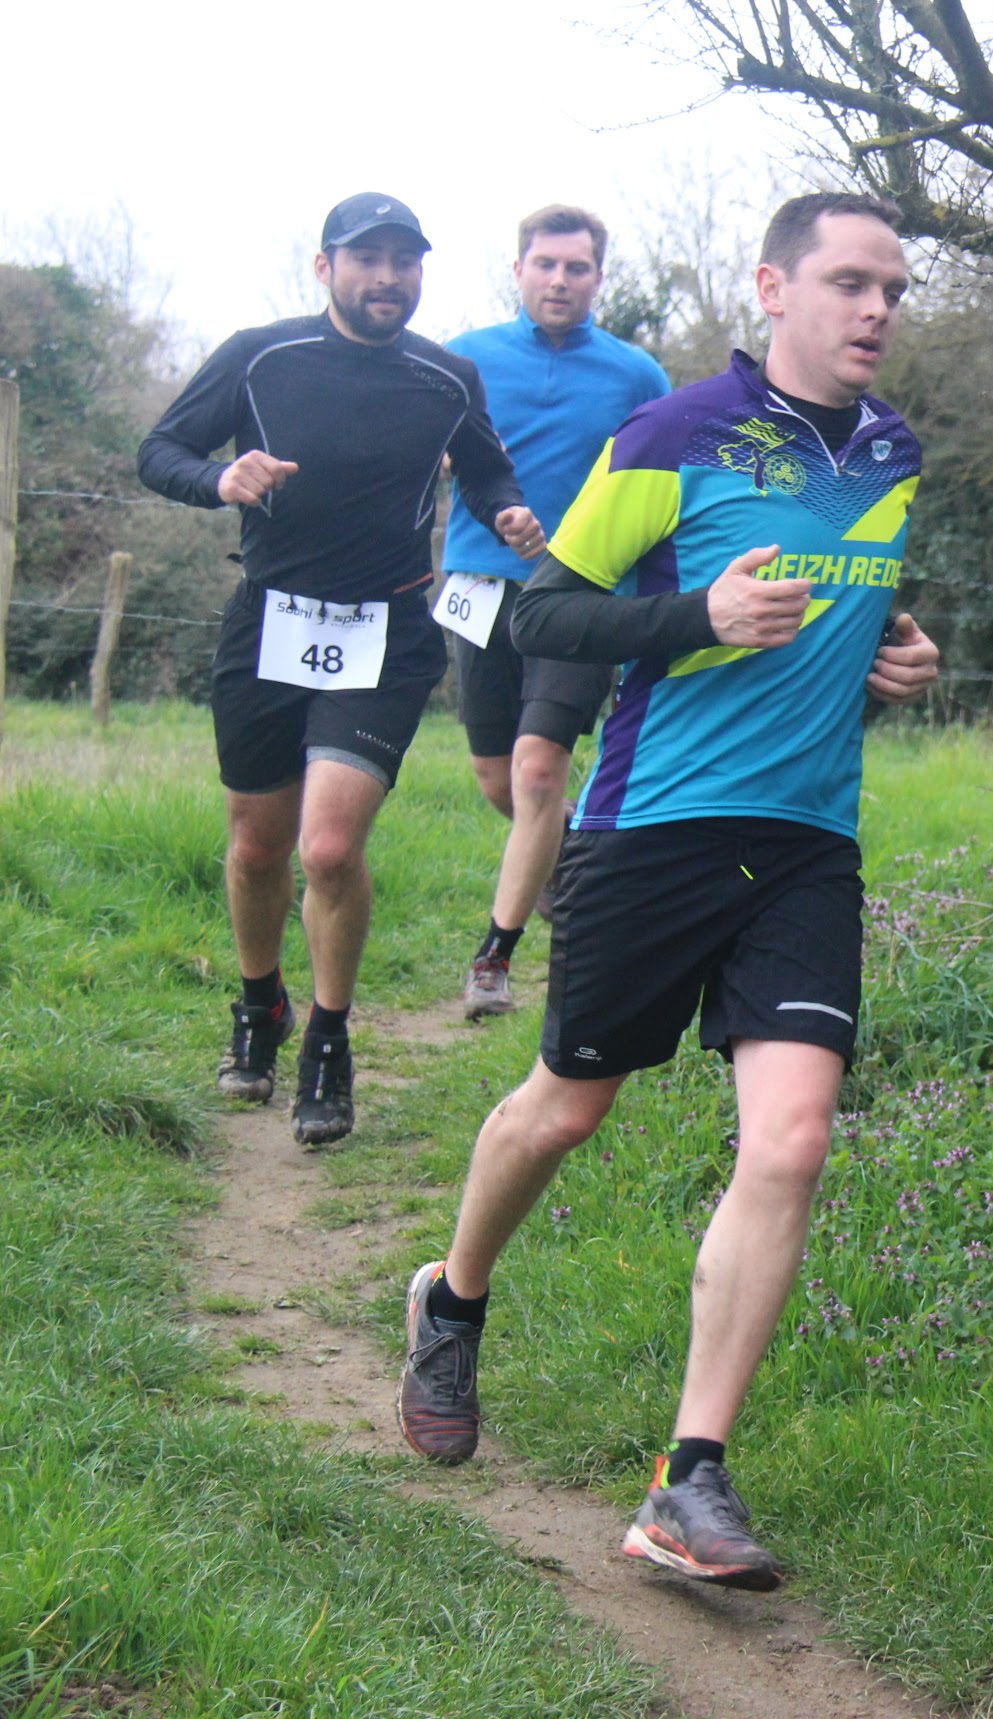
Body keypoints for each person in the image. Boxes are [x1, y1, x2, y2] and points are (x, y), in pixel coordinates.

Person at [396, 190, 942, 1592]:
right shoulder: (672, 434)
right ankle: (453, 1297)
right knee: (567, 1106)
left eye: (894, 287)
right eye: (851, 281)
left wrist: (894, 650)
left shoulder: (893, 452)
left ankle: (689, 1478)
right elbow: (546, 611)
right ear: (773, 287)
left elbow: (839, 602)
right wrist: (697, 616)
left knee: (793, 1141)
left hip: (807, 842)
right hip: (653, 828)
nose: (878, 308)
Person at [139, 193, 541, 1147]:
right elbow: (159, 451)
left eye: (405, 260)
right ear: (326, 268)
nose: (388, 277)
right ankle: (260, 1005)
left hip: (386, 632)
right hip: (268, 625)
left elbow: (485, 468)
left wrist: (508, 509)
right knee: (257, 849)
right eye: (367, 259)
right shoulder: (260, 356)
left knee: (326, 848)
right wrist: (219, 479)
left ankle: (328, 1036)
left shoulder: (446, 377)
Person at [440, 205, 671, 1020]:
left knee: (540, 771)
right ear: (519, 270)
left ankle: (493, 960)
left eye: (577, 267)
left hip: (582, 596)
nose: (560, 280)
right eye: (545, 264)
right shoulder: (464, 358)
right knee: (498, 780)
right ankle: (573, 857)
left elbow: (668, 484)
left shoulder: (637, 375)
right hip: (481, 587)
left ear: (599, 277)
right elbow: (421, 450)